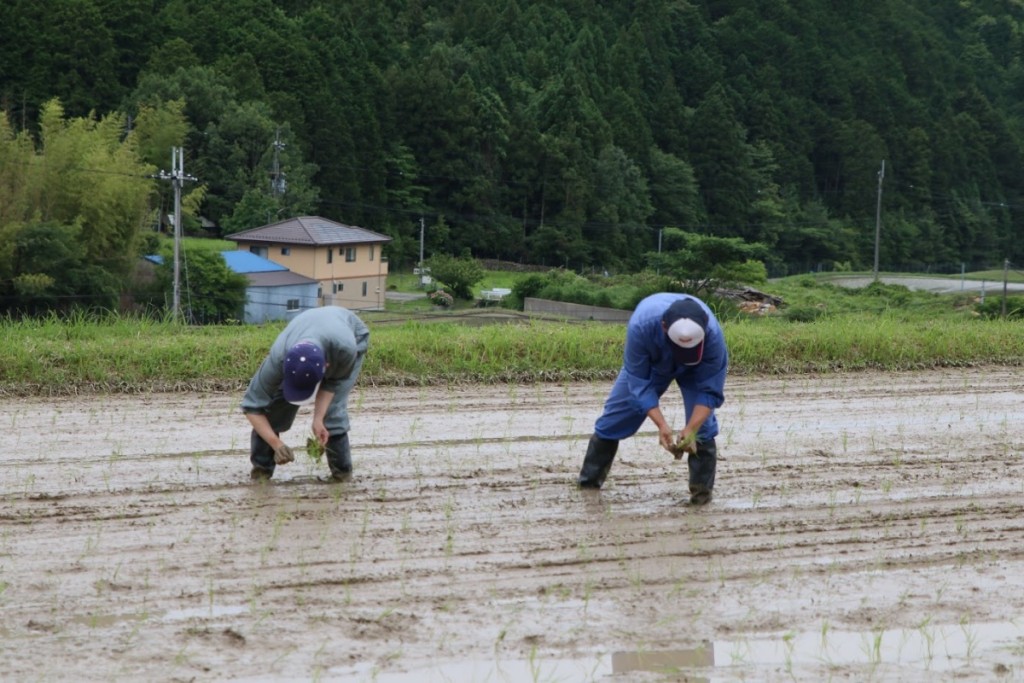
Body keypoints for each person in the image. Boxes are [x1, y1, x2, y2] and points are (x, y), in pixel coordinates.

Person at [577, 293, 728, 505]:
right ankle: (588, 485)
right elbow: (638, 383)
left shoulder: (713, 336)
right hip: (654, 364)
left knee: (702, 429)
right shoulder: (642, 326)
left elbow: (710, 391)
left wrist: (691, 428)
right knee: (615, 419)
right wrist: (661, 424)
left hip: (697, 369)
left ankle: (701, 498)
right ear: (664, 328)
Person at [241, 305, 369, 481]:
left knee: (332, 412)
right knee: (275, 408)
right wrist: (276, 444)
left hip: (350, 333)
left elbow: (332, 383)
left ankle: (342, 475)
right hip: (309, 330)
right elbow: (252, 406)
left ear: (326, 366)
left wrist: (319, 419)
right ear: (285, 368)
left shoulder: (345, 349)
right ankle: (261, 473)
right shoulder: (279, 358)